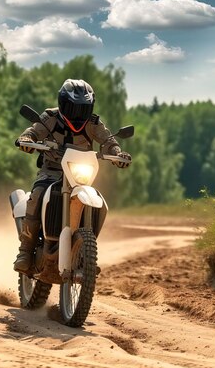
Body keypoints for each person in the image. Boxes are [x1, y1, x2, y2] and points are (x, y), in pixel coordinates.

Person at [13, 79, 131, 273]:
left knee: (97, 201)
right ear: (62, 103)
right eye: (72, 108)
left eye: (82, 109)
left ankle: (85, 252)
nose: (77, 114)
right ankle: (25, 251)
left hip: (79, 174)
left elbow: (108, 141)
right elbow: (34, 130)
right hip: (51, 171)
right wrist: (27, 139)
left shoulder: (94, 123)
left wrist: (118, 154)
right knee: (37, 195)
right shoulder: (50, 117)